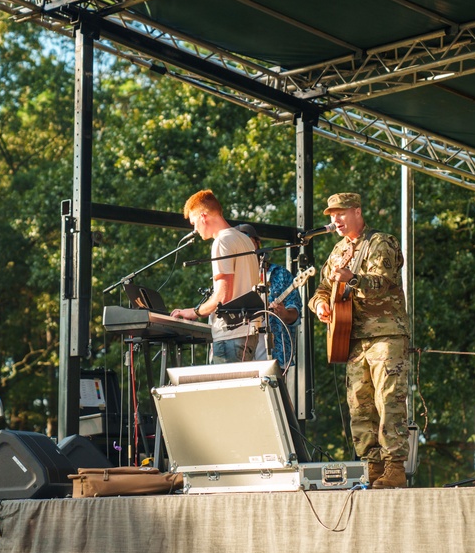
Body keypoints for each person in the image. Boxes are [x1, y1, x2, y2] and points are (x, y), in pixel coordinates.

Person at [308, 192, 411, 489]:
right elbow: (322, 290)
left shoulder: (381, 242)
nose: (335, 220)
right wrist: (320, 306)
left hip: (386, 334)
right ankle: (372, 465)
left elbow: (382, 284)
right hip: (352, 337)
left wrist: (352, 278)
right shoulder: (338, 250)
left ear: (357, 211)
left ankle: (395, 467)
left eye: (340, 213)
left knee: (389, 400)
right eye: (331, 215)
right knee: (360, 405)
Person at [169, 190, 266, 363]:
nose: (195, 229)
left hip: (230, 335)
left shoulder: (222, 241)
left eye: (194, 223)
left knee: (224, 390)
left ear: (203, 216)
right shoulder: (243, 239)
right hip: (248, 334)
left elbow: (222, 297)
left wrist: (194, 312)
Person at [235, 224, 301, 370]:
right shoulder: (232, 278)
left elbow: (296, 312)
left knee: (275, 393)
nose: (243, 245)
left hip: (275, 356)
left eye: (246, 240)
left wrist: (284, 314)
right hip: (241, 355)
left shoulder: (280, 274)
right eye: (238, 242)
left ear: (257, 243)